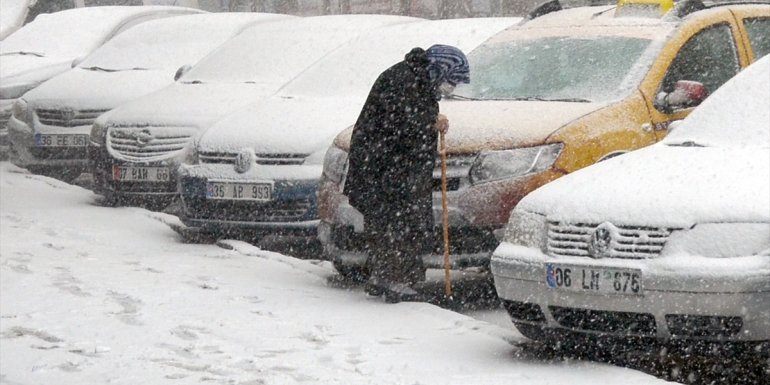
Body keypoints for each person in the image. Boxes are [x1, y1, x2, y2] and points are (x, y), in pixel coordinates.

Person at [343, 44, 470, 302]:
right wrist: (429, 122)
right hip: (385, 166)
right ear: (440, 69)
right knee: (397, 221)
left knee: (388, 221)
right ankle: (396, 280)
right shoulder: (406, 80)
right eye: (452, 80)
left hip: (386, 165)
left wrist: (428, 119)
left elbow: (408, 115)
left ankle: (385, 276)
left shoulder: (416, 78)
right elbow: (400, 122)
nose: (451, 87)